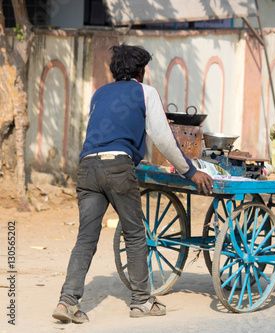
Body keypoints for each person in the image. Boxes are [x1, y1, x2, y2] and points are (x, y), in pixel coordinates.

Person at [52, 44, 213, 323]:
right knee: (135, 234)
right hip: (118, 166)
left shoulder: (99, 94)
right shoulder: (144, 92)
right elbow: (163, 138)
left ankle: (66, 302)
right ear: (141, 71)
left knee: (86, 238)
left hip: (87, 167)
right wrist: (190, 172)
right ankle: (141, 302)